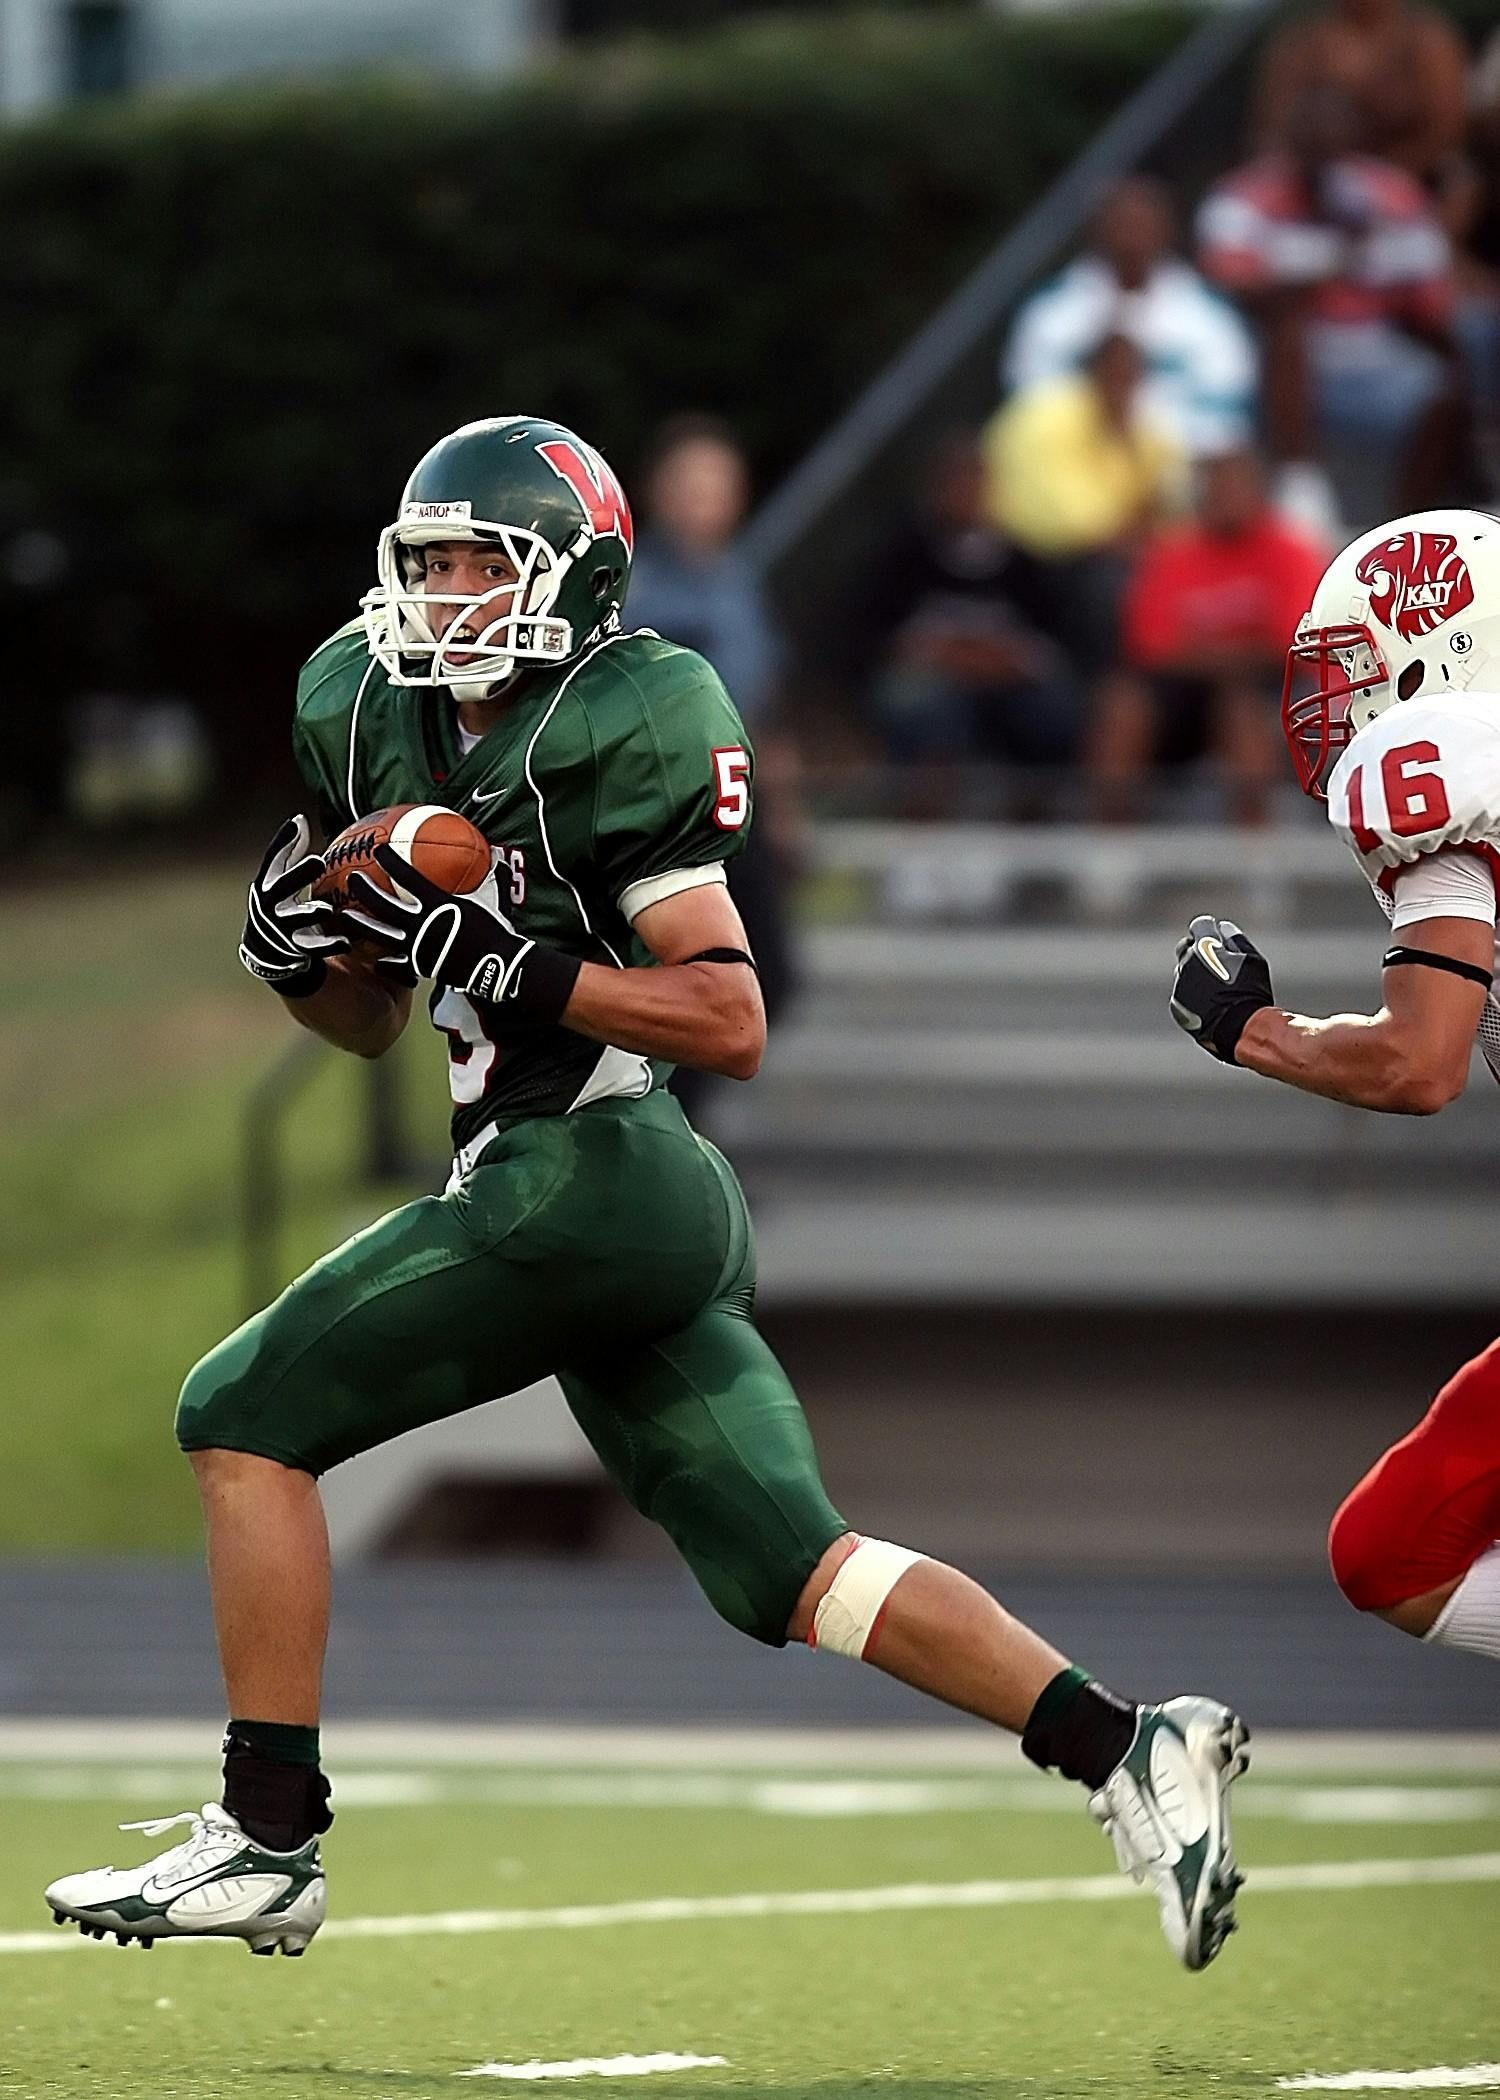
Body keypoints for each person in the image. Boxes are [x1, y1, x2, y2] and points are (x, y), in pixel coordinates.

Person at [44, 414, 1249, 1970]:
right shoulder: (362, 707)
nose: (444, 594)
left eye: (481, 562)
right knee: (794, 1571)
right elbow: (370, 1021)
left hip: (590, 1169)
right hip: (621, 1205)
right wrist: (298, 962)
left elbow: (729, 1017)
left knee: (238, 1414)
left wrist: (517, 963)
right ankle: (1130, 1745)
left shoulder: (637, 711)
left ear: (575, 578)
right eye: (428, 563)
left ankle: (269, 1834)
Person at [1169, 506, 1500, 1667]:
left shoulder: (1453, 778)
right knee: (1389, 1549)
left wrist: (1258, 1030)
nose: (1333, 697)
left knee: (1400, 1552)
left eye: (1355, 664)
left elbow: (1420, 1061)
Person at [624, 414, 797, 1116]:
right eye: (690, 484)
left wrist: (783, 808)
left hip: (733, 805)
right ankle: (660, 1134)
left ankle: (677, 1126)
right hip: (661, 813)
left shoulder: (738, 583)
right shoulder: (634, 587)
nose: (705, 500)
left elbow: (756, 699)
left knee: (771, 975)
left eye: (718, 486)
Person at [1197, 84, 1461, 534]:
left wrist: (1364, 241)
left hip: (1372, 353)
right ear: (1291, 138)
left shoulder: (1391, 196)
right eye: (1312, 138)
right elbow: (1227, 282)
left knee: (1450, 380)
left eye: (1334, 138)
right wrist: (1327, 263)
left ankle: (1410, 524)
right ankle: (1302, 488)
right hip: (1275, 364)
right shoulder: (1245, 196)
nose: (1323, 149)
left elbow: (1431, 301)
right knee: (1289, 333)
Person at [1090, 449, 1327, 824]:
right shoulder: (1172, 554)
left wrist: (1202, 650)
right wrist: (1236, 649)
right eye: (1215, 485)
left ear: (1259, 491)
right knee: (1123, 706)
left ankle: (1254, 861)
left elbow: (1292, 644)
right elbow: (1149, 645)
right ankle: (1110, 856)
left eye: (1234, 485)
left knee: (1241, 713)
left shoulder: (1292, 552)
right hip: (1181, 693)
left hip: (1268, 689)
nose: (1222, 495)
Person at [867, 431, 1082, 819]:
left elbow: (1050, 643)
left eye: (975, 480)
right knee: (925, 711)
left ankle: (1036, 834)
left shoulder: (1024, 563)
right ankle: (924, 837)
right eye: (956, 480)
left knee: (1054, 710)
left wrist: (999, 661)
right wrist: (954, 657)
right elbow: (879, 639)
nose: (966, 491)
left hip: (1011, 684)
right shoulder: (902, 556)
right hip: (933, 684)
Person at [1003, 175, 1258, 462]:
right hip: (1077, 471)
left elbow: (1226, 412)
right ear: (1096, 230)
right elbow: (1029, 407)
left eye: (1141, 225)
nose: (1131, 238)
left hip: (1181, 472)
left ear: (1166, 230)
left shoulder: (1209, 313)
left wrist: (1147, 443)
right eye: (1120, 225)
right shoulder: (1051, 309)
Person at [983, 331, 1186, 682]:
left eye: (1133, 376)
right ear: (1092, 371)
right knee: (1113, 589)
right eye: (1116, 373)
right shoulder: (1044, 415)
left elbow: (1176, 513)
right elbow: (1078, 530)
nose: (1125, 385)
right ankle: (1100, 694)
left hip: (1093, 561)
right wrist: (1146, 535)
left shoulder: (1142, 427)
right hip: (1021, 565)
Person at [1251, 0, 1469, 189]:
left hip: (1411, 177)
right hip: (1311, 180)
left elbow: (1446, 128)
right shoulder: (1300, 43)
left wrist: (1383, 180)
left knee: (1460, 186)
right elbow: (1272, 127)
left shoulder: (1427, 39)